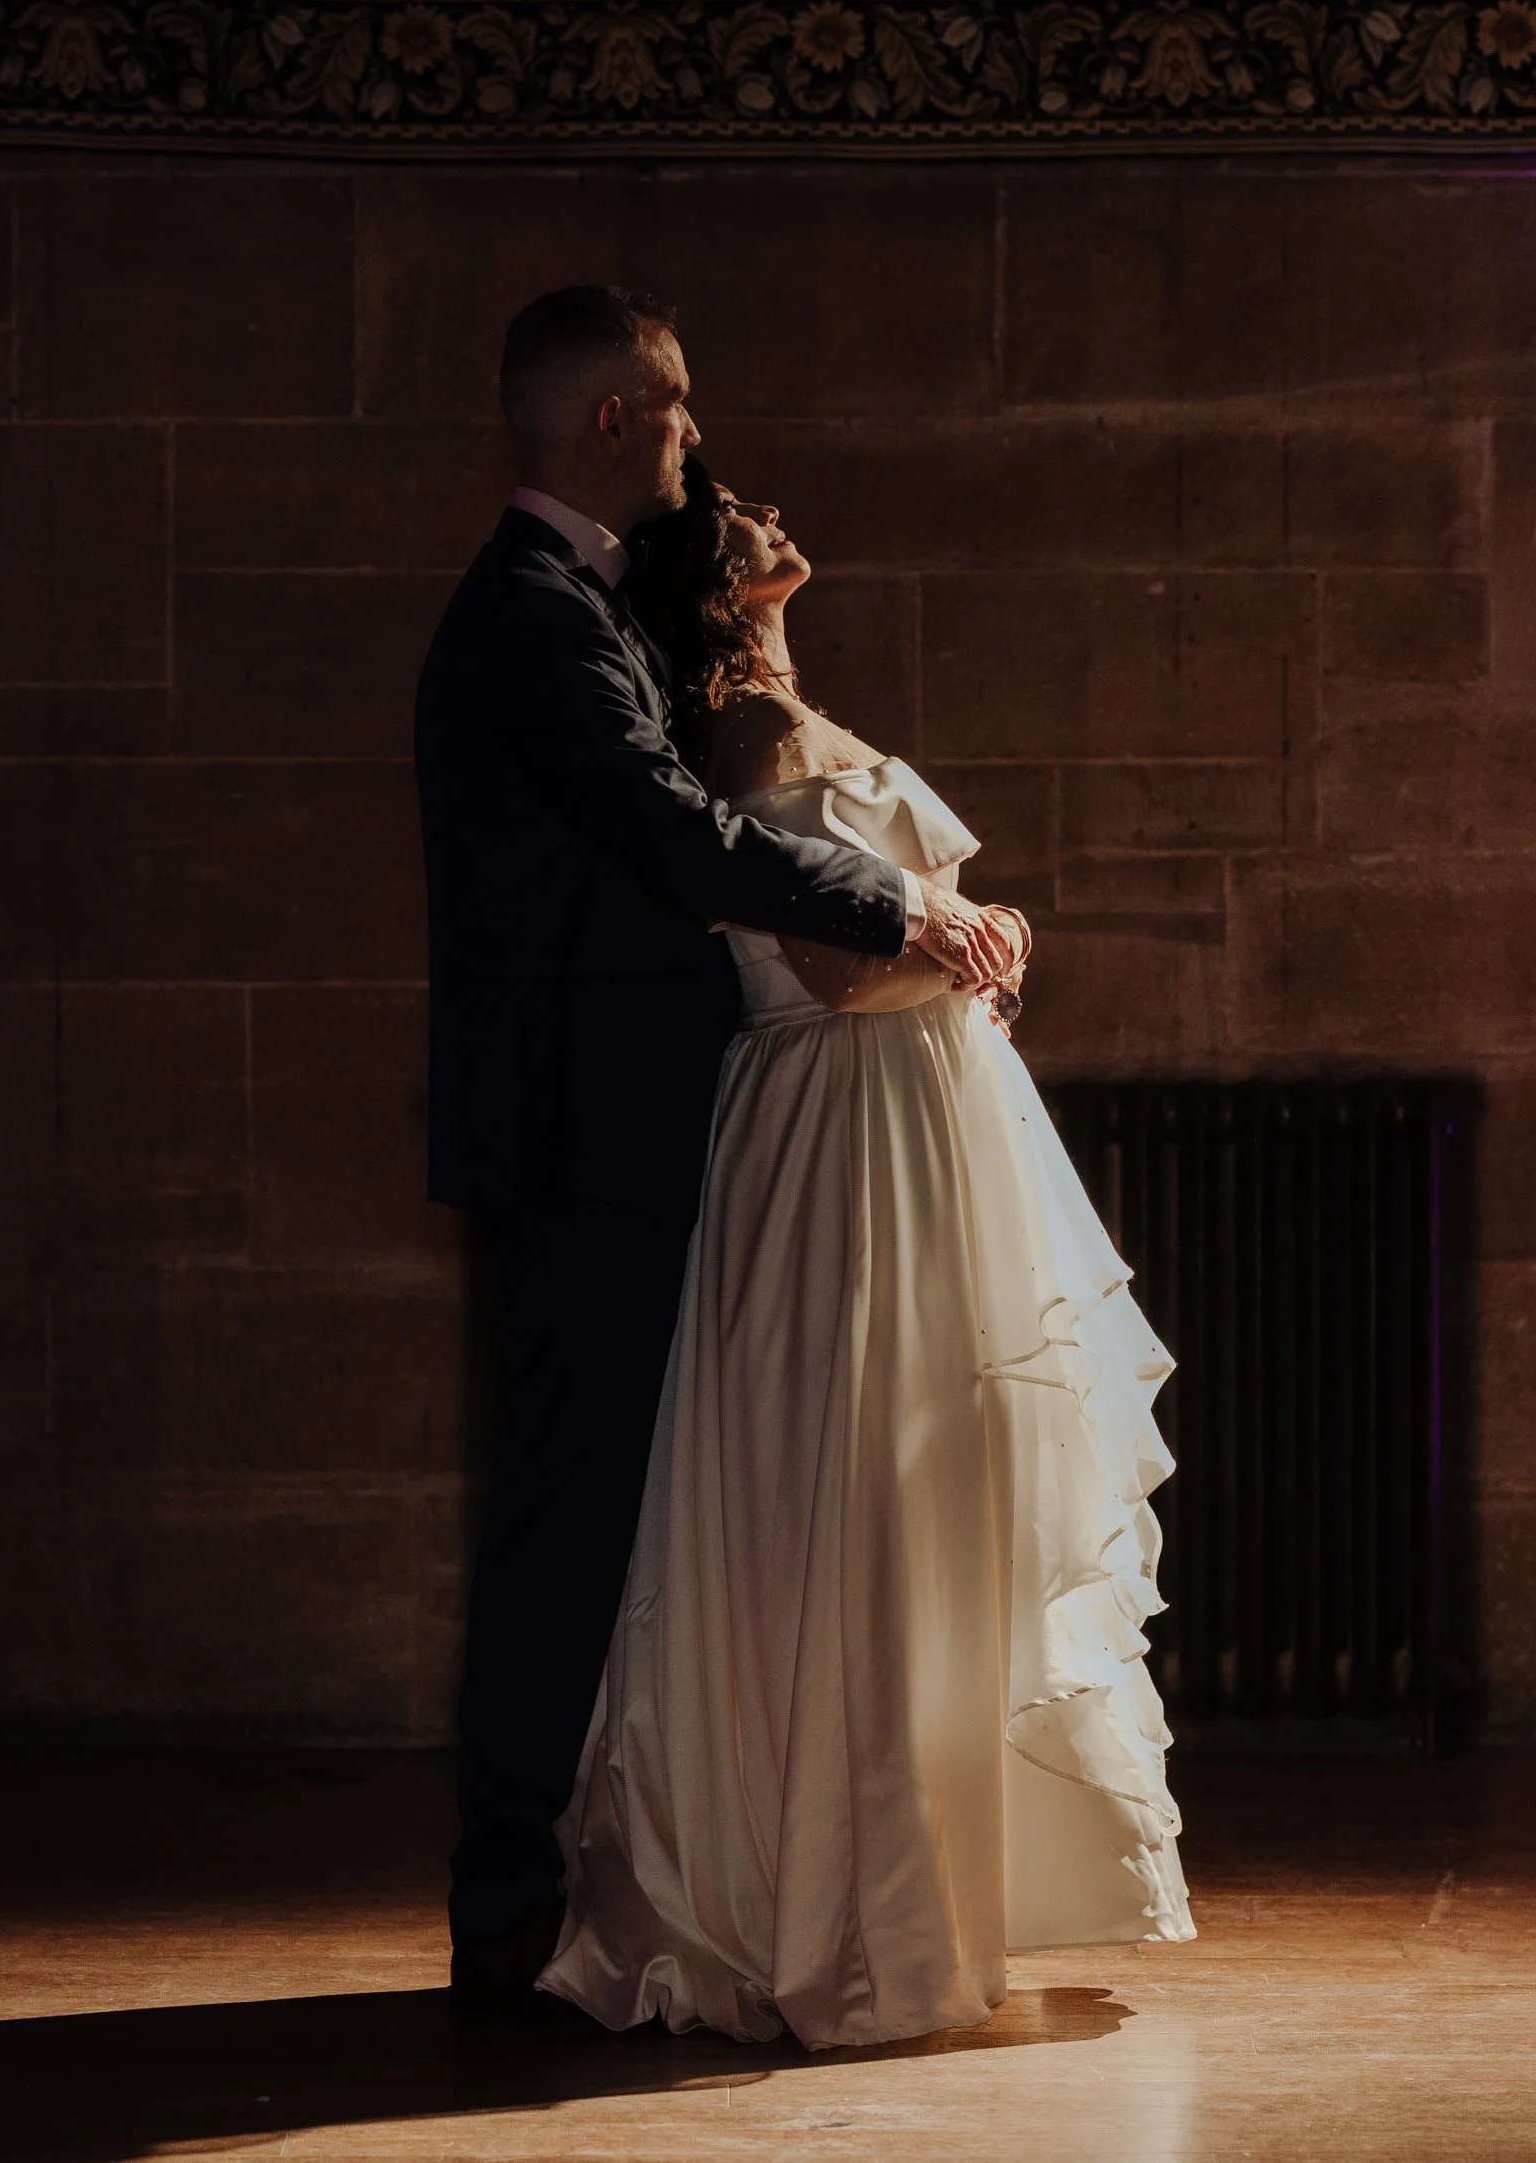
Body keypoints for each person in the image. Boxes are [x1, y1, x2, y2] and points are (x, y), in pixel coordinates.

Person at [539, 467, 1194, 2048]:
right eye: (740, 511)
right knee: (852, 1493)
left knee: (920, 1496)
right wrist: (962, 943)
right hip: (840, 1127)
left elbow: (899, 930)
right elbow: (834, 973)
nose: (771, 511)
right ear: (719, 583)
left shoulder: (800, 721)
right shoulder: (751, 737)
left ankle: (914, 1891)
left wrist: (985, 936)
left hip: (907, 1116)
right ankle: (838, 1910)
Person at [413, 288, 1018, 1999]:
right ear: (614, 418)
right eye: (675, 410)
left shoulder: (579, 608)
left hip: (617, 1133)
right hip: (579, 1145)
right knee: (566, 1521)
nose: (694, 439)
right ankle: (509, 1913)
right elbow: (674, 836)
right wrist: (902, 904)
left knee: (613, 1516)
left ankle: (599, 1877)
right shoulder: (532, 617)